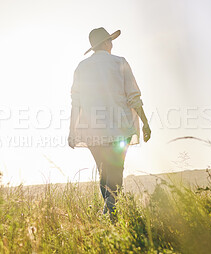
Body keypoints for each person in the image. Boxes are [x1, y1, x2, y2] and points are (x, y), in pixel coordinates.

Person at [68, 27, 151, 217]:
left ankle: (109, 212)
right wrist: (145, 123)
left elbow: (76, 104)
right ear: (106, 43)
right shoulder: (120, 62)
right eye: (110, 41)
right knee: (116, 171)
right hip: (119, 129)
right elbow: (134, 97)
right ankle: (112, 212)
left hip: (92, 131)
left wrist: (72, 132)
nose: (112, 44)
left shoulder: (81, 67)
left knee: (104, 172)